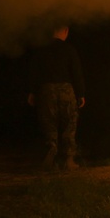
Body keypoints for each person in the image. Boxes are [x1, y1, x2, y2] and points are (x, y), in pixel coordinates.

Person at [28, 25, 86, 170]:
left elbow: (34, 72)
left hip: (46, 91)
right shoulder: (69, 50)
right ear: (65, 31)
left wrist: (32, 92)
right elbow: (77, 73)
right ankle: (69, 160)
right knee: (69, 124)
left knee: (49, 124)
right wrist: (81, 94)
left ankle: (51, 152)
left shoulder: (42, 50)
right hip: (66, 90)